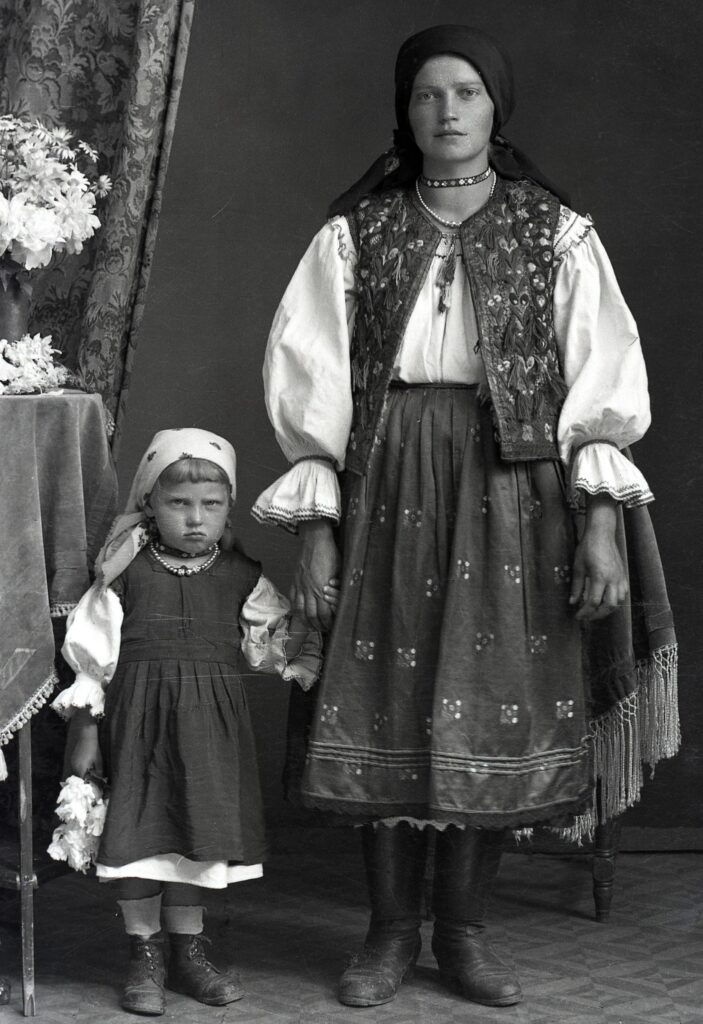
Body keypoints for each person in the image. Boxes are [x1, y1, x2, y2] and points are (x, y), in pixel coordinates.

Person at [253, 24, 679, 1010]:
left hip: (512, 488)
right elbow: (311, 377)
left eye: (466, 92)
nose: (446, 111)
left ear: (496, 108)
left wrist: (599, 523)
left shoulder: (555, 230)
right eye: (426, 95)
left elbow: (601, 378)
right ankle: (388, 933)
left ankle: (464, 933)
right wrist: (316, 524)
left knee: (491, 702)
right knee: (385, 697)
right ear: (404, 113)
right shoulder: (355, 233)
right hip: (386, 477)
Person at [51, 428, 325, 1016]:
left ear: (229, 507)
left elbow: (275, 642)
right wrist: (86, 729)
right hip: (138, 726)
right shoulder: (123, 575)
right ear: (150, 503)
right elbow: (92, 659)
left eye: (211, 504)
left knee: (196, 834)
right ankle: (143, 951)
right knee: (139, 834)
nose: (196, 519)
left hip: (211, 733)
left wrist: (299, 639)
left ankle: (187, 951)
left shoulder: (241, 575)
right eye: (179, 503)